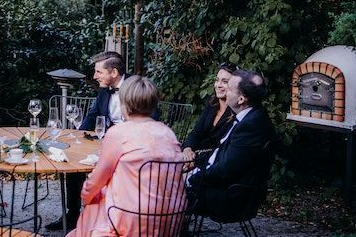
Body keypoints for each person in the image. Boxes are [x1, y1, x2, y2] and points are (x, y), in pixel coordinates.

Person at [49, 51, 160, 231]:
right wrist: (78, 137)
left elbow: (151, 119)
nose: (94, 76)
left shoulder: (137, 87)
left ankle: (104, 217)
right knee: (73, 161)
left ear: (114, 73)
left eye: (98, 72)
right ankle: (72, 215)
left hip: (132, 146)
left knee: (101, 172)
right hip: (107, 140)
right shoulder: (104, 90)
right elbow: (92, 116)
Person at [67, 76, 186, 237]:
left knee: (97, 197)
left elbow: (98, 178)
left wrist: (85, 197)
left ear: (124, 104)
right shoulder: (168, 133)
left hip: (131, 219)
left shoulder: (118, 133)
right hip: (171, 219)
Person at [186, 69, 276, 218]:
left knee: (165, 188)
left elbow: (225, 170)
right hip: (221, 184)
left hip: (230, 197)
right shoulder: (251, 116)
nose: (223, 91)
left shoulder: (251, 126)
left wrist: (194, 178)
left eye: (229, 88)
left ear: (241, 99)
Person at [181, 62, 238, 168]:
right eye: (217, 80)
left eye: (225, 82)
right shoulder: (212, 105)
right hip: (194, 158)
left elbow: (223, 149)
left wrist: (195, 161)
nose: (218, 85)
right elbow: (196, 133)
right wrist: (187, 149)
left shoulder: (236, 113)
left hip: (213, 164)